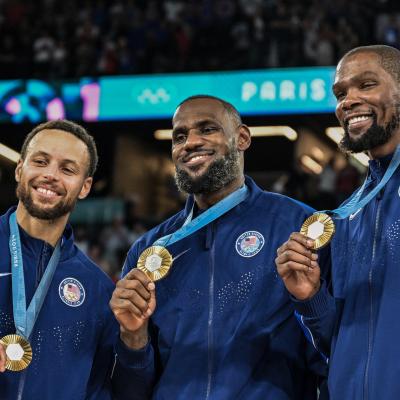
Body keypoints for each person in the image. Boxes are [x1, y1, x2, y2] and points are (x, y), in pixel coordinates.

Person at [110, 95, 326, 399]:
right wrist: (132, 337)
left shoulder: (298, 225)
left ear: (242, 138)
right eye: (180, 136)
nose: (190, 143)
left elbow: (334, 353)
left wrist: (313, 301)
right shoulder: (150, 250)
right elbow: (131, 390)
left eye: (207, 129)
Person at [275, 44, 400, 400]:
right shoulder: (344, 218)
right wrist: (310, 297)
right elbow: (336, 344)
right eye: (341, 93)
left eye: (367, 85)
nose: (348, 100)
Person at [0, 120, 118, 399]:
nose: (50, 175)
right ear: (20, 169)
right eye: (40, 161)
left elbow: (99, 388)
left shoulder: (98, 289)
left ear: (85, 186)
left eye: (67, 169)